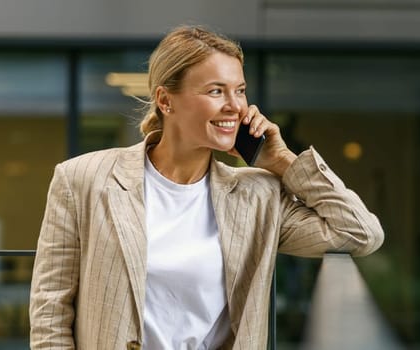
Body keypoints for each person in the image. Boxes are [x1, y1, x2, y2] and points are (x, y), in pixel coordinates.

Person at [28, 25, 384, 350]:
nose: (235, 106)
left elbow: (359, 233)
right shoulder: (82, 179)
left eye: (240, 90)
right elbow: (50, 311)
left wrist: (283, 162)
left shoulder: (258, 195)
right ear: (166, 101)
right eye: (216, 91)